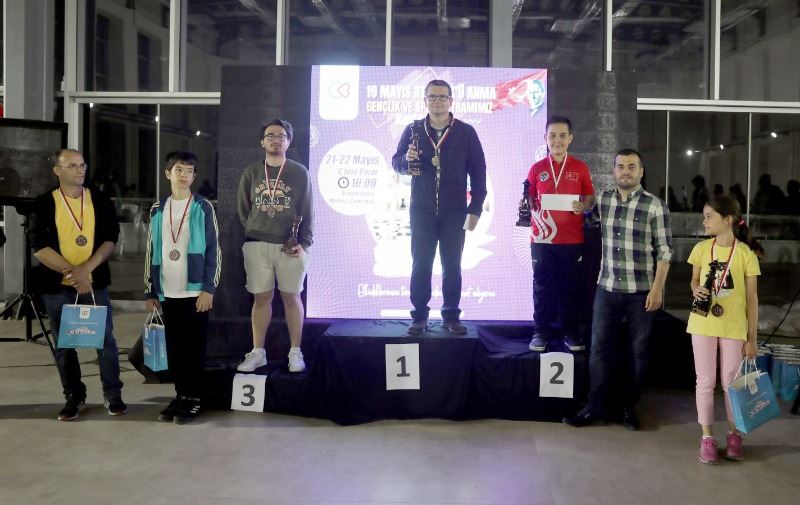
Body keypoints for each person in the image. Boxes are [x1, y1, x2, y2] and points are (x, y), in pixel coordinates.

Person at [563, 148, 672, 430]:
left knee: (638, 353)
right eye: (621, 166)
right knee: (598, 349)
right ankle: (595, 407)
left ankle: (628, 406)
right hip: (607, 287)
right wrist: (578, 208)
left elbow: (665, 252)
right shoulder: (604, 200)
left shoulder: (655, 206)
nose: (626, 171)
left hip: (641, 291)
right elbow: (587, 220)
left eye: (632, 166)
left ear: (641, 172)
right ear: (613, 171)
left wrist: (657, 290)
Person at [29, 148, 125, 421]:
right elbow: (38, 246)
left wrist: (87, 271)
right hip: (57, 287)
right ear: (57, 171)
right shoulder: (44, 203)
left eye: (82, 164)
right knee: (64, 345)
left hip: (95, 283)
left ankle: (113, 395)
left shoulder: (100, 200)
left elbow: (111, 238)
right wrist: (74, 273)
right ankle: (74, 395)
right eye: (72, 165)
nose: (80, 169)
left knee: (105, 341)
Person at [391, 79, 487, 335]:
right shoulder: (413, 130)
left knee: (452, 266)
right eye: (432, 96)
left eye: (442, 97)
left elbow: (479, 171)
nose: (437, 101)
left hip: (455, 212)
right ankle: (419, 315)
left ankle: (451, 315)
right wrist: (406, 160)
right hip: (421, 211)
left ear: (451, 101)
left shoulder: (466, 132)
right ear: (425, 101)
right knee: (421, 264)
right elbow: (396, 162)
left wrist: (475, 208)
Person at [145, 151, 220, 424]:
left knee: (194, 348)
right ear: (168, 173)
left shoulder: (203, 207)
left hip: (195, 291)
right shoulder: (157, 209)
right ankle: (180, 395)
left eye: (189, 171)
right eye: (179, 170)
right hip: (167, 290)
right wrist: (150, 290)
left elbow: (214, 250)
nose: (184, 175)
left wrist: (208, 289)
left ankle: (194, 398)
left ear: (194, 176)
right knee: (175, 348)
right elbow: (150, 250)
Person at [236, 119, 314, 373]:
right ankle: (258, 352)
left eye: (281, 136)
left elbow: (308, 209)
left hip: (290, 247)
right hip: (257, 245)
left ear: (288, 142)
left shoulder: (299, 172)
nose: (275, 139)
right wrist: (256, 229)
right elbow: (244, 210)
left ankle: (295, 351)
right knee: (261, 298)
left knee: (292, 297)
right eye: (270, 135)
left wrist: (304, 242)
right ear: (262, 142)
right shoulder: (251, 172)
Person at [689, 195, 760, 464]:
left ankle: (734, 435)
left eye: (709, 216)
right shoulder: (701, 249)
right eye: (704, 216)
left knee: (731, 383)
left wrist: (752, 338)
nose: (704, 221)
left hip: (734, 326)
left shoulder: (745, 254)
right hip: (702, 322)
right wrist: (696, 288)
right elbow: (694, 280)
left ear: (727, 220)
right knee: (705, 381)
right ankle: (707, 437)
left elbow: (752, 299)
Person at [526, 115, 595, 352]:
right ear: (545, 138)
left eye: (562, 136)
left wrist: (583, 206)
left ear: (570, 138)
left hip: (572, 239)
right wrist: (528, 204)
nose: (557, 140)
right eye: (552, 135)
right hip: (542, 238)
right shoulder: (536, 169)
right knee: (542, 288)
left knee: (570, 288)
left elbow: (589, 197)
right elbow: (528, 198)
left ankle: (570, 333)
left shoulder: (580, 167)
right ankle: (539, 332)